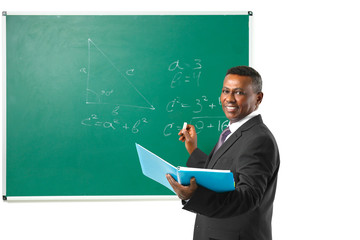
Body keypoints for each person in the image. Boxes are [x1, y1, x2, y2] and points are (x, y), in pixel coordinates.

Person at [166, 66, 280, 240]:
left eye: (239, 92)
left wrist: (194, 196)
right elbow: (216, 174)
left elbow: (248, 197)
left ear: (258, 98)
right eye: (226, 91)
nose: (229, 99)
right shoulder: (233, 133)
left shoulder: (258, 139)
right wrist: (193, 149)